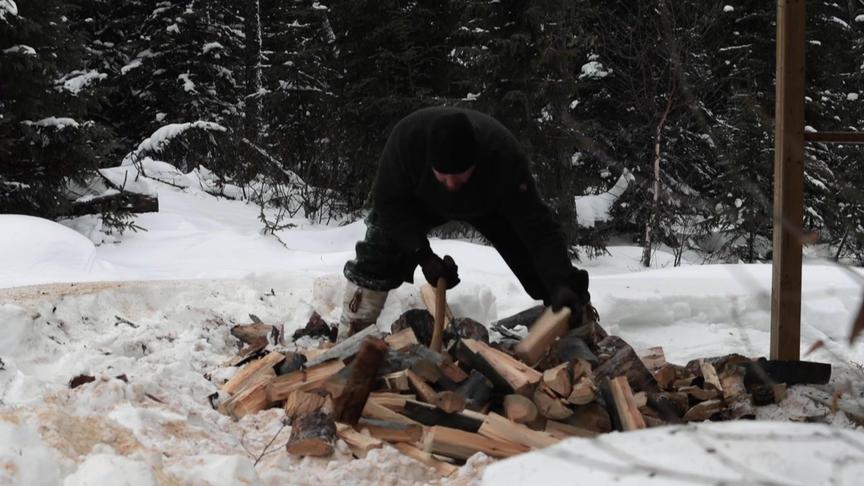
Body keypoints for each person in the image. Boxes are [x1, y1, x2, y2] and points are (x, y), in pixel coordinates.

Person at [337, 106, 590, 338]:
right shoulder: (406, 143)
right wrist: (423, 256)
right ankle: (353, 330)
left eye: (458, 176)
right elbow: (389, 207)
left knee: (543, 271)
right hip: (419, 200)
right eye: (443, 176)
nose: (450, 184)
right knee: (379, 251)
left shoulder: (503, 156)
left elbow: (539, 228)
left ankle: (579, 321)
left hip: (490, 203)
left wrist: (559, 281)